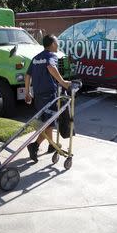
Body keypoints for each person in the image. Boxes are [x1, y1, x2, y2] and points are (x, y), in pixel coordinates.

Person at [25, 34, 71, 162]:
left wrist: (27, 92)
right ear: (52, 44)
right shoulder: (51, 56)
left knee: (47, 122)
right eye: (57, 43)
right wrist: (63, 82)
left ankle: (52, 145)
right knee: (49, 123)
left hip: (38, 96)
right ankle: (34, 145)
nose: (58, 45)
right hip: (50, 95)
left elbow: (27, 75)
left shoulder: (35, 58)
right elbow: (51, 67)